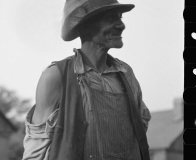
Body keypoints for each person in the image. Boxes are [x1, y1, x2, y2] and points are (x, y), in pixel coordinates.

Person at [22, 0, 151, 160]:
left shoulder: (126, 74)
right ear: (85, 26)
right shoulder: (56, 76)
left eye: (120, 17)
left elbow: (140, 128)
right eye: (111, 18)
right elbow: (36, 148)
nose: (121, 25)